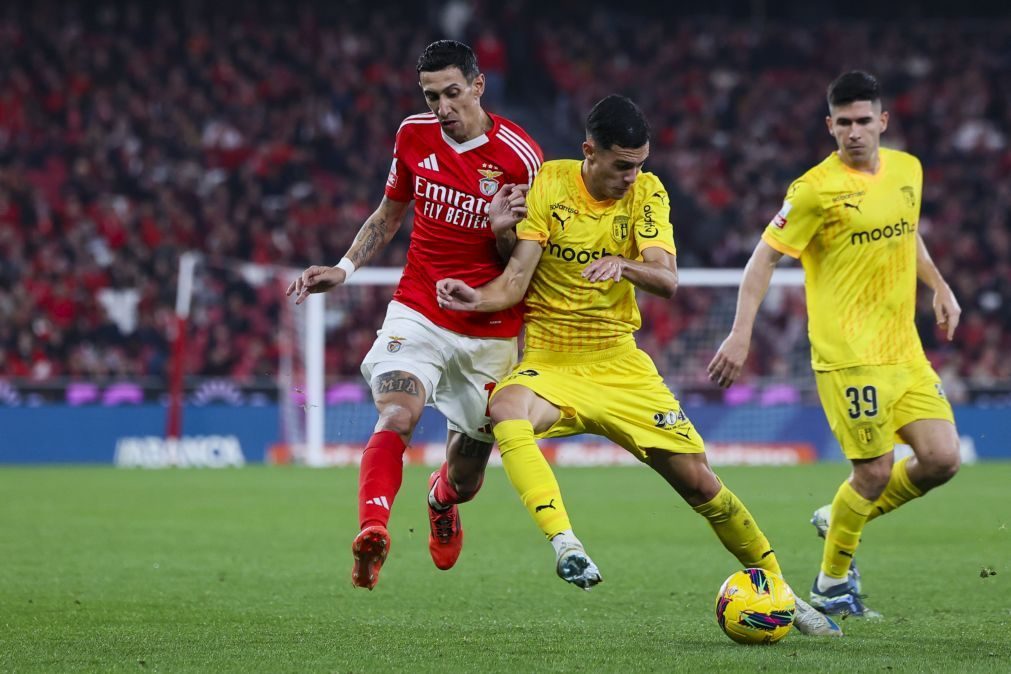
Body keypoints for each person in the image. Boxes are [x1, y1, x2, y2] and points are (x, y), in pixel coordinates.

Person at [437, 94, 840, 636]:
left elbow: (668, 280)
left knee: (700, 485)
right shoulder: (550, 184)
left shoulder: (647, 193)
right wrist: (475, 295)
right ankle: (566, 544)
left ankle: (784, 592)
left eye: (640, 163)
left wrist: (623, 265)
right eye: (622, 164)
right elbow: (514, 281)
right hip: (552, 362)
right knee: (506, 408)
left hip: (620, 365)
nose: (633, 175)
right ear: (589, 152)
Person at [287, 40, 542, 590]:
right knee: (396, 415)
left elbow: (520, 264)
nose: (442, 107)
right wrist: (345, 267)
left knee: (468, 475)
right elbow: (390, 212)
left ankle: (442, 498)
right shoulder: (413, 134)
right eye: (432, 96)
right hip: (419, 308)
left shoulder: (521, 157)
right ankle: (372, 531)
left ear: (477, 85)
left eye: (452, 93)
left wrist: (502, 229)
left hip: (488, 326)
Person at [708, 71, 961, 618]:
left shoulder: (907, 170)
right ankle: (831, 585)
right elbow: (764, 257)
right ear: (830, 126)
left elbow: (907, 230)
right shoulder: (812, 191)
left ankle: (842, 514)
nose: (854, 132)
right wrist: (740, 331)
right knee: (872, 472)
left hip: (905, 351)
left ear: (882, 122)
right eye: (843, 122)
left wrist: (939, 286)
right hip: (848, 355)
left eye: (864, 121)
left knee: (943, 459)